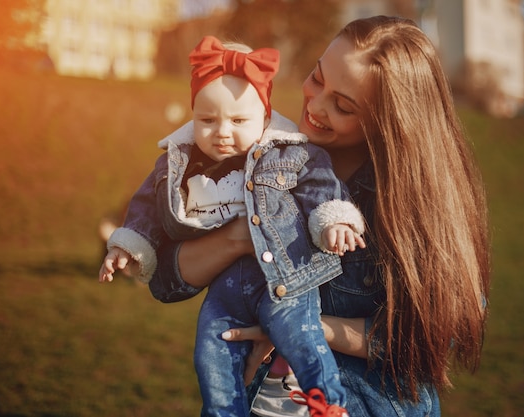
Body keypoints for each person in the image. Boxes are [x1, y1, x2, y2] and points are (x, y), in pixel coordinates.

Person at [150, 15, 491, 417]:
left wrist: (301, 328)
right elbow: (166, 281)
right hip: (258, 403)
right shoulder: (262, 155)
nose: (315, 103)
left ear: (389, 123)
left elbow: (437, 336)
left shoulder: (410, 201)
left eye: (343, 105)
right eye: (317, 77)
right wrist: (239, 238)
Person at [99, 36, 367, 417]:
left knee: (301, 334)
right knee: (212, 352)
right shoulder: (178, 164)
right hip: (225, 292)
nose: (222, 132)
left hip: (284, 279)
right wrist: (126, 245)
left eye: (239, 120)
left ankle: (327, 401)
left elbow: (321, 187)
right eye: (207, 120)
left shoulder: (289, 153)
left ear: (264, 115)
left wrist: (334, 223)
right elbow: (145, 207)